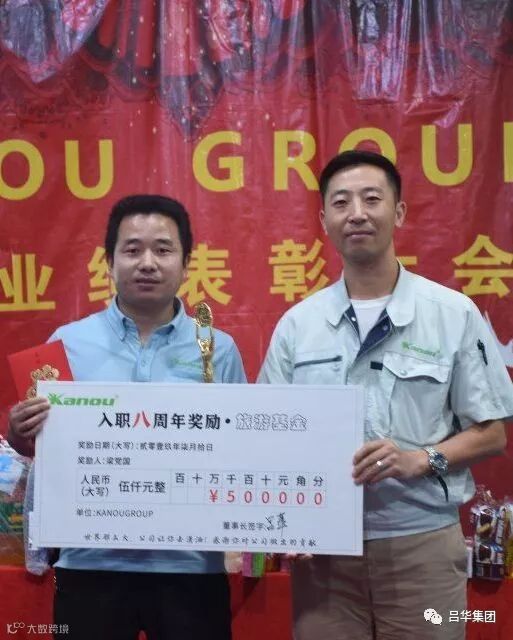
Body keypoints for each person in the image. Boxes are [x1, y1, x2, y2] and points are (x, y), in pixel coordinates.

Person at [257, 150, 513, 640]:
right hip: (325, 556)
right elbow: (271, 435)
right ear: (324, 221)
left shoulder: (452, 314)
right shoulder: (298, 326)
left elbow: (492, 433)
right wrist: (286, 523)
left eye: (371, 199)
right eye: (341, 202)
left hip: (423, 548)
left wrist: (422, 459)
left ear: (399, 212)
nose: (357, 213)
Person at [8, 194, 246, 640]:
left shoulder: (218, 350)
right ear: (109, 262)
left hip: (191, 567)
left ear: (186, 264)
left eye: (163, 249)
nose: (147, 263)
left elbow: (241, 451)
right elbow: (40, 447)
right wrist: (21, 432)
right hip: (89, 563)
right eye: (132, 249)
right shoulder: (65, 344)